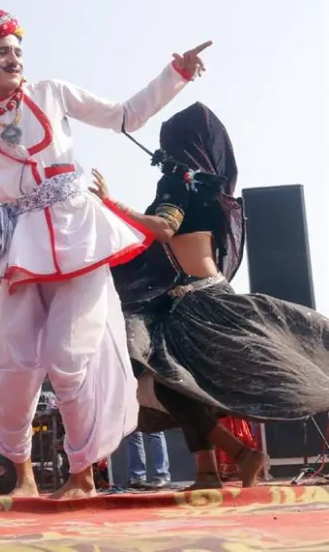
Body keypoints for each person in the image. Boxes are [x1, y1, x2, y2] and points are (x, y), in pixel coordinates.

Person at [0, 9, 210, 499]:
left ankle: (83, 475)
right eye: (2, 51)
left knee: (69, 358)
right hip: (21, 241)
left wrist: (175, 74)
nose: (14, 58)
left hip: (79, 233)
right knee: (14, 366)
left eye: (18, 50)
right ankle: (21, 474)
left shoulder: (53, 92)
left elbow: (125, 115)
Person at [97, 102, 329, 490]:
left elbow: (164, 228)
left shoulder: (177, 183)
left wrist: (111, 202)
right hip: (213, 293)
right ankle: (207, 472)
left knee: (169, 381)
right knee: (184, 384)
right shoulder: (217, 192)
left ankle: (239, 455)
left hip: (190, 303)